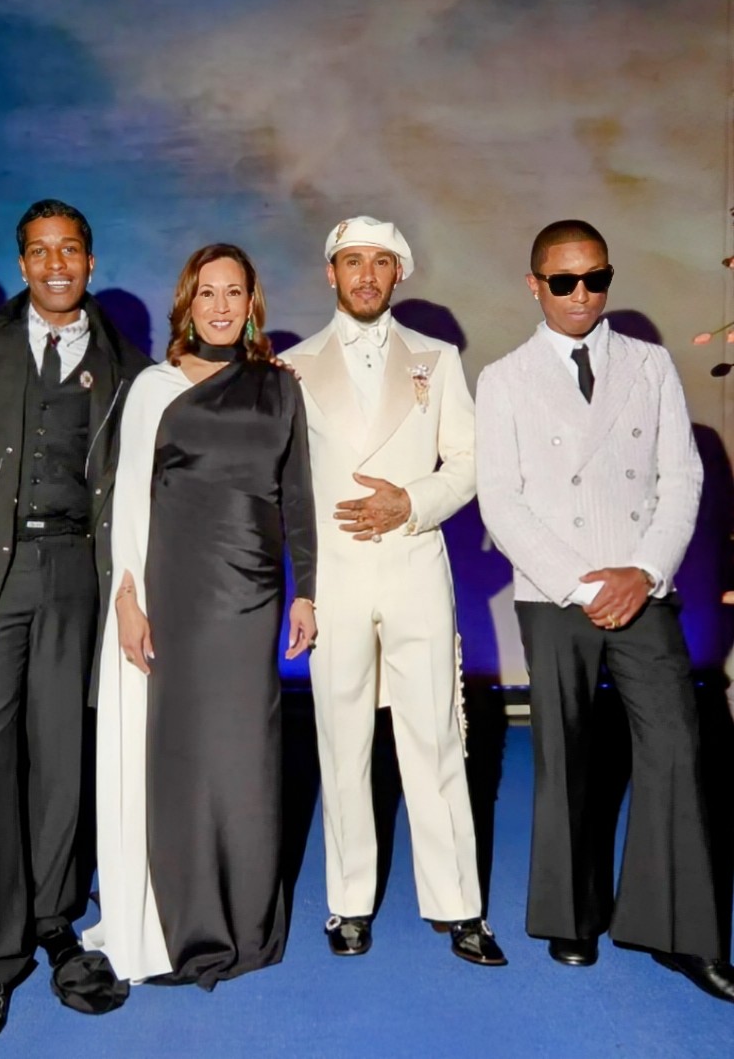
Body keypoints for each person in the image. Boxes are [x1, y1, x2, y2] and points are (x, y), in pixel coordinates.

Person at [475, 219, 734, 1001]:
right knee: (568, 753)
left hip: (643, 583)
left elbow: (680, 477)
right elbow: (502, 504)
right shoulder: (505, 377)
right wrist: (587, 584)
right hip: (558, 593)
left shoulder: (650, 364)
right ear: (535, 285)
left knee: (678, 749)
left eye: (596, 278)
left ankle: (678, 932)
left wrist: (645, 568)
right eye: (564, 281)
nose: (582, 294)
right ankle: (571, 918)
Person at [0, 199, 150, 1045]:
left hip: (76, 576)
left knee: (61, 754)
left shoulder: (125, 364)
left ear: (91, 262)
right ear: (21, 263)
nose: (55, 264)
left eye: (70, 250)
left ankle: (58, 918)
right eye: (38, 251)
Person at [82, 243, 317, 989]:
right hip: (174, 596)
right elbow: (125, 502)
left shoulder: (280, 389)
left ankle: (247, 919)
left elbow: (299, 494)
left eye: (234, 292)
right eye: (206, 293)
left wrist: (306, 588)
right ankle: (185, 918)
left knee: (247, 758)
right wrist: (126, 599)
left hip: (252, 599)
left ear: (253, 303)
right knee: (180, 760)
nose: (220, 306)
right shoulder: (154, 388)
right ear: (187, 303)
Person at [281, 216, 505, 966]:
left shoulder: (438, 361)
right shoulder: (293, 366)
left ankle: (459, 903)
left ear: (399, 274)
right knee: (342, 740)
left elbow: (471, 460)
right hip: (337, 576)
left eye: (381, 262)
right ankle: (348, 902)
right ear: (331, 273)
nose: (366, 275)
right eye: (352, 261)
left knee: (436, 735)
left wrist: (410, 502)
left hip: (415, 567)